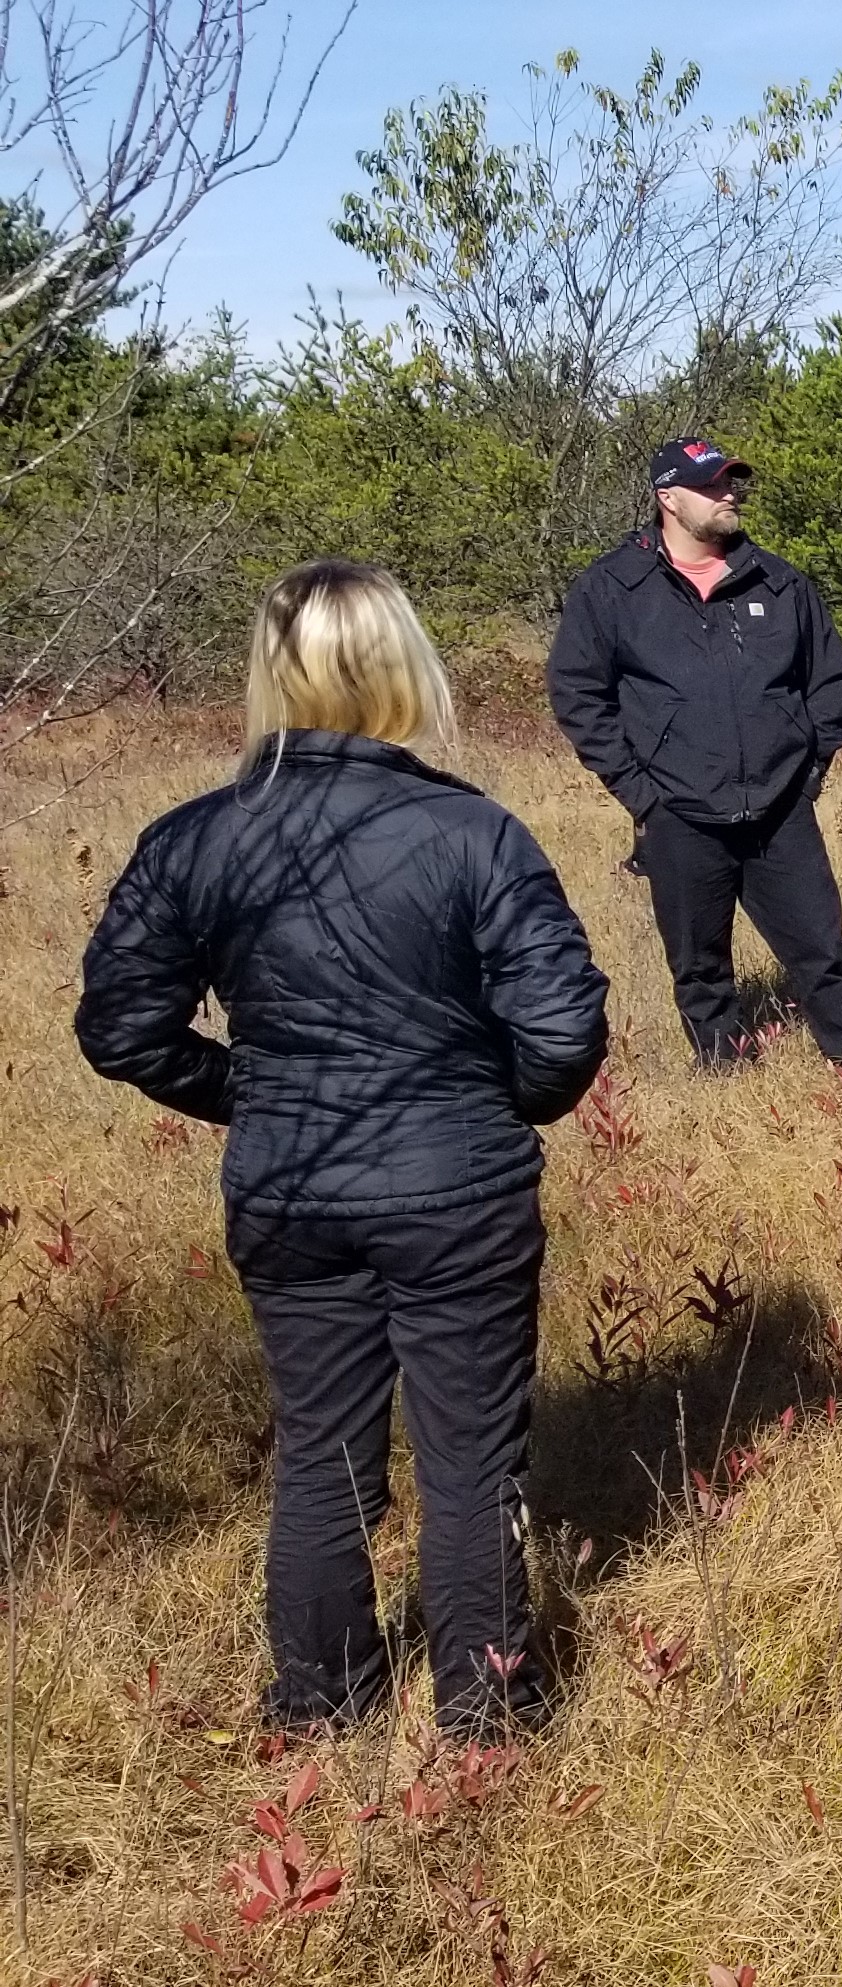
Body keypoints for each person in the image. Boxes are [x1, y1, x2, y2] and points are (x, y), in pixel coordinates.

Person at [79, 561, 608, 1737]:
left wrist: (256, 1097)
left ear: (273, 674)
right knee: (470, 1466)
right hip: (452, 1184)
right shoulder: (473, 832)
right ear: (398, 667)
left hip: (292, 1185)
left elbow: (120, 1026)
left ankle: (320, 1706)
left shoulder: (196, 837)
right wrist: (481, 1102)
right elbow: (565, 1032)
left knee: (320, 1457)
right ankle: (483, 1718)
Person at [548, 436, 842, 1070]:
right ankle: (724, 1073)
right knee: (699, 966)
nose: (730, 494)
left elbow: (832, 682)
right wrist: (640, 792)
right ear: (668, 498)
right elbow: (578, 695)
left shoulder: (779, 582)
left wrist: (807, 774)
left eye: (733, 482)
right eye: (712, 485)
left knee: (823, 951)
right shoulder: (612, 589)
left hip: (778, 806)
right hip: (677, 809)